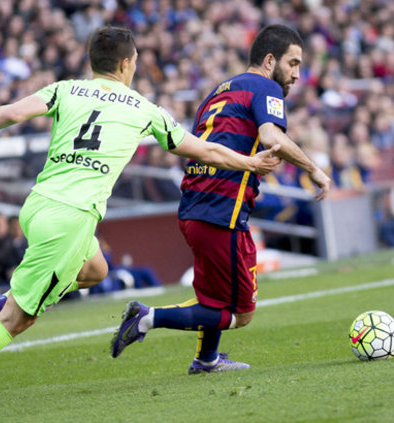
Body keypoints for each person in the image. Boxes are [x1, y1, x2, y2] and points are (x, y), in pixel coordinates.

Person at [0, 26, 282, 412]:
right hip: (70, 220)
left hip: (38, 206)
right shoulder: (143, 109)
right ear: (125, 63)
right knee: (17, 320)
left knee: (95, 269)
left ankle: (4, 299)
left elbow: (13, 112)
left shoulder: (66, 89)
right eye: (135, 62)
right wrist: (250, 163)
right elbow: (204, 150)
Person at [110, 24, 331, 374]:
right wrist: (314, 169)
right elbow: (271, 136)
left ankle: (207, 359)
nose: (296, 74)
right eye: (293, 63)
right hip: (221, 211)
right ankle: (147, 317)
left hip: (196, 206)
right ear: (269, 60)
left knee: (212, 297)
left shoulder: (218, 92)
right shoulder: (265, 86)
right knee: (239, 314)